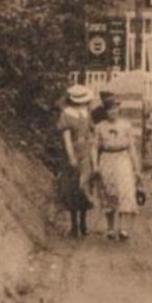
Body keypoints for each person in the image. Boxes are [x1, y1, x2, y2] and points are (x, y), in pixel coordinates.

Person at [92, 93, 141, 241]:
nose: (112, 112)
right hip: (107, 159)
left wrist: (136, 167)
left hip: (123, 158)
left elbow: (132, 147)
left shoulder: (126, 125)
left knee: (125, 190)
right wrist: (95, 165)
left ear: (118, 110)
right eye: (109, 110)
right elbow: (94, 147)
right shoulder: (100, 127)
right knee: (108, 192)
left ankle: (123, 228)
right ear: (105, 112)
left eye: (114, 109)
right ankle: (110, 227)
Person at [55, 84, 96, 237]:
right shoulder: (66, 114)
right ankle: (74, 225)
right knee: (72, 188)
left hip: (86, 150)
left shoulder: (86, 113)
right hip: (73, 151)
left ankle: (84, 223)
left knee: (84, 186)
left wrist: (92, 150)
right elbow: (66, 138)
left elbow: (91, 133)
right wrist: (71, 157)